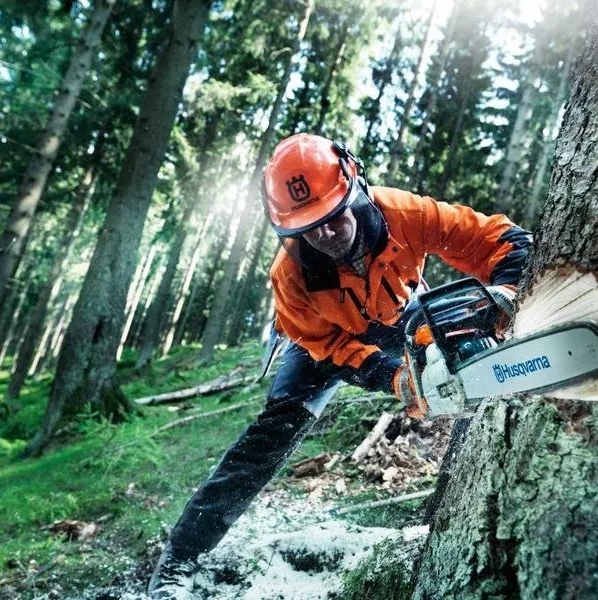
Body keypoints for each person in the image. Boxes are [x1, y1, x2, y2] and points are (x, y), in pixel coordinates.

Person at [148, 133, 531, 596]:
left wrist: (505, 294)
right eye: (310, 227)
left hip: (395, 313)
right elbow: (326, 347)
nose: (325, 233)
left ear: (353, 189)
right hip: (321, 344)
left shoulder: (403, 215)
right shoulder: (290, 276)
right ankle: (179, 558)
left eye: (332, 217)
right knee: (270, 437)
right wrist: (392, 377)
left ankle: (444, 521)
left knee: (463, 379)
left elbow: (500, 240)